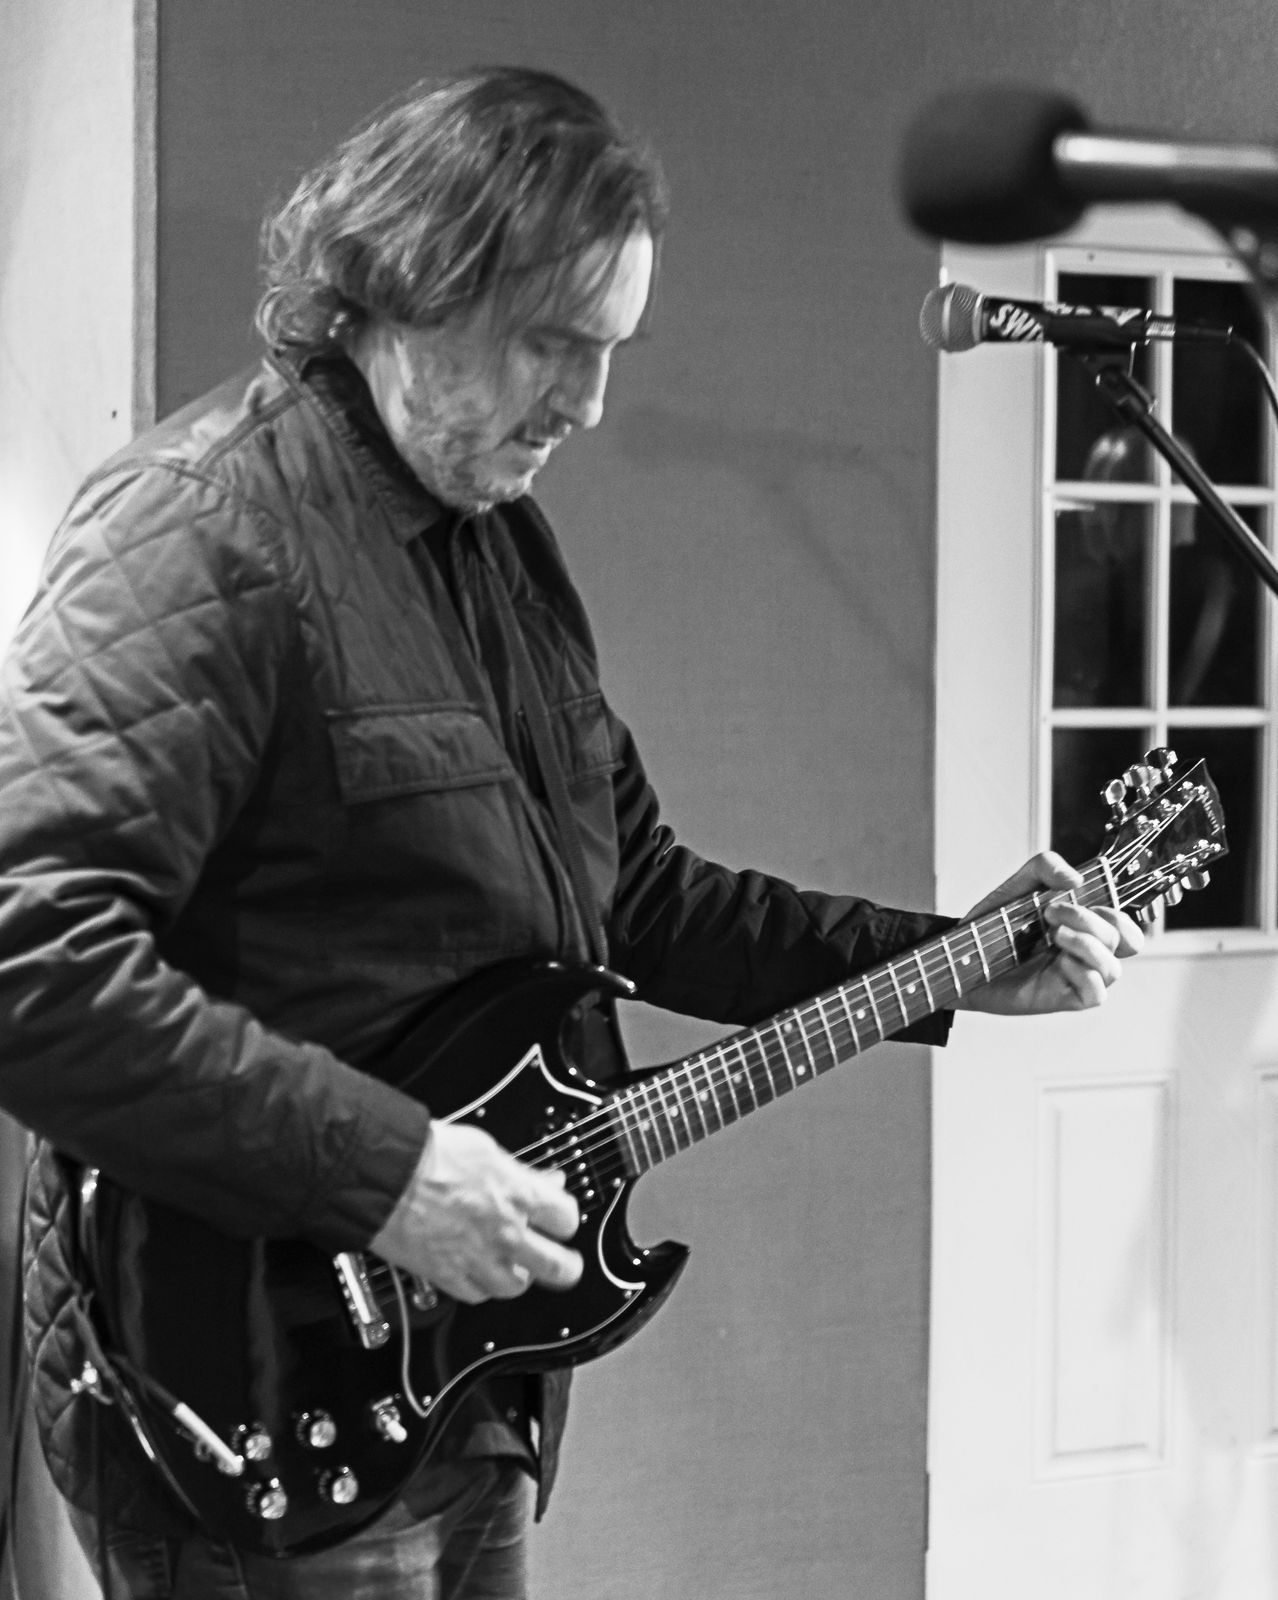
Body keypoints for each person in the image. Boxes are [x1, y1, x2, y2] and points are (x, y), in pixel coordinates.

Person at [0, 66, 1140, 1600]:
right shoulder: (197, 531)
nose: (591, 403)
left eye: (610, 349)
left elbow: (642, 896)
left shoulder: (496, 541)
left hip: (461, 1379)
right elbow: (31, 965)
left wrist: (948, 964)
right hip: (250, 1373)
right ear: (406, 287)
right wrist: (394, 1179)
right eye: (553, 341)